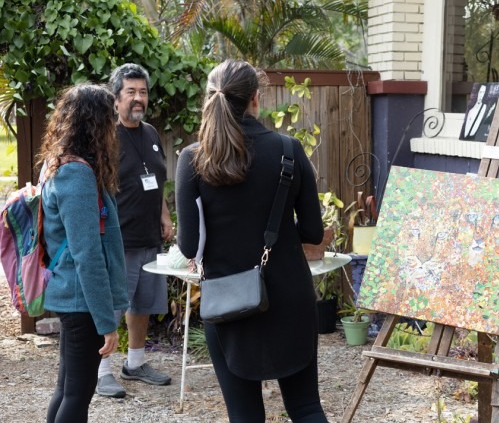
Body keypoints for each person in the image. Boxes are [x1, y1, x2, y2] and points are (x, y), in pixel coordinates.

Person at [175, 59, 328, 422]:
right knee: (306, 407)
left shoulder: (193, 159)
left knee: (244, 414)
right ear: (256, 98)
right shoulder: (289, 150)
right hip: (290, 295)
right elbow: (313, 232)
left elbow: (189, 247)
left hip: (228, 301)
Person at [40, 84, 128, 422]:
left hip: (74, 295)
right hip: (81, 299)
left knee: (67, 389)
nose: (115, 125)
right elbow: (87, 254)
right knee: (77, 394)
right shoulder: (76, 174)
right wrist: (107, 323)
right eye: (110, 117)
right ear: (95, 123)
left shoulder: (63, 165)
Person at [96, 63, 174, 398]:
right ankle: (100, 371)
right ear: (116, 99)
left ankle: (136, 363)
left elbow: (157, 180)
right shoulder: (106, 137)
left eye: (142, 92)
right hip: (118, 238)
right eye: (131, 92)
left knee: (142, 303)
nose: (138, 98)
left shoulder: (151, 134)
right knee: (113, 305)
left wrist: (165, 216)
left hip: (149, 237)